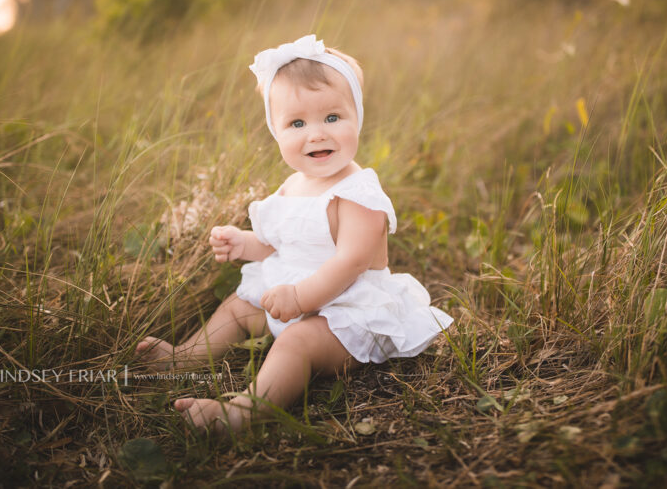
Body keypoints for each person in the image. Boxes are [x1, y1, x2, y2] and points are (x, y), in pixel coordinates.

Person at [135, 34, 453, 432]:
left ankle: (242, 412)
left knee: (296, 343)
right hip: (294, 302)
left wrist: (301, 297)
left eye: (332, 118)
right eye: (297, 123)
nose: (316, 134)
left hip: (345, 318)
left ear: (358, 117)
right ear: (276, 132)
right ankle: (186, 357)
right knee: (237, 305)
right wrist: (244, 243)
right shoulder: (293, 185)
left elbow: (351, 262)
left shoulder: (358, 194)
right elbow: (279, 245)